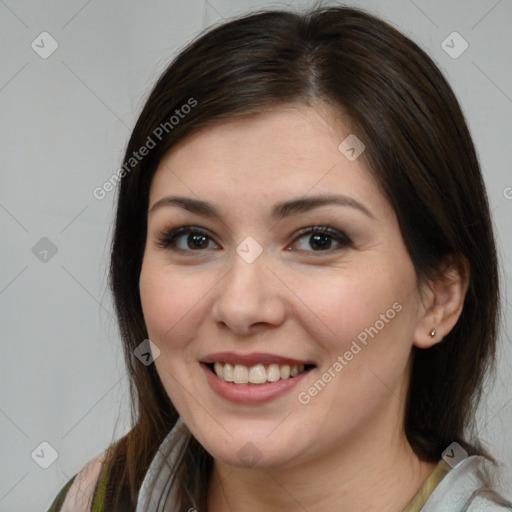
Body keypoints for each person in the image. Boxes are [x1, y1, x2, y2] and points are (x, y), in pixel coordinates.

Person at [47, 4, 512, 511]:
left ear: (438, 299)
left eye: (318, 240)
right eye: (194, 239)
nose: (241, 306)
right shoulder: (94, 498)